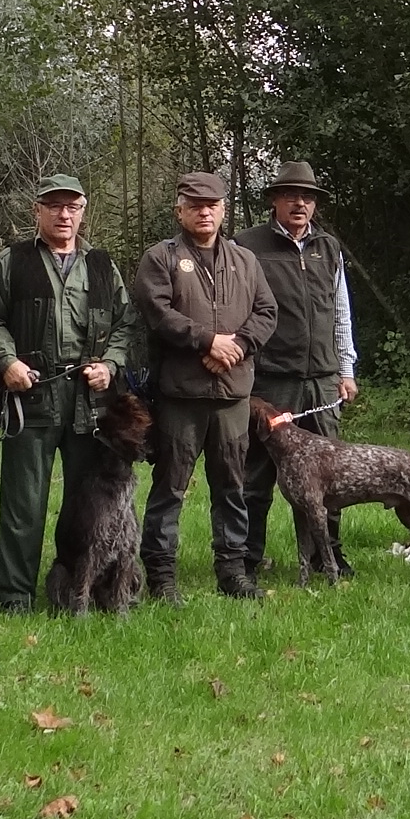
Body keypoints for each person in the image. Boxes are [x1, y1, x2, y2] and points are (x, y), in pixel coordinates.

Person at [0, 174, 133, 613]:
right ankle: (15, 595)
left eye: (72, 207)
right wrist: (7, 362)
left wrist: (111, 364)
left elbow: (125, 324)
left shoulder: (103, 265)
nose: (63, 215)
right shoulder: (14, 260)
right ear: (38, 210)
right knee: (23, 503)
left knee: (90, 506)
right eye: (54, 206)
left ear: (83, 210)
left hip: (90, 404)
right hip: (32, 397)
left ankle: (83, 591)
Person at [135, 172, 279, 601]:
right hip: (181, 395)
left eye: (212, 205)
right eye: (194, 205)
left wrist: (239, 344)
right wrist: (206, 340)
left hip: (233, 396)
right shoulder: (161, 258)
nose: (204, 212)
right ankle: (161, 577)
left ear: (223, 210)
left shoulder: (245, 260)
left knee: (231, 486)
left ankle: (232, 571)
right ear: (179, 210)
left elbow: (267, 311)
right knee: (170, 488)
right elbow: (157, 312)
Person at [233, 160, 358, 581]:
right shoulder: (248, 245)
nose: (299, 203)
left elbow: (341, 312)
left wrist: (346, 368)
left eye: (307, 197)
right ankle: (248, 561)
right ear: (274, 201)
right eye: (290, 195)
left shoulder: (330, 248)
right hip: (271, 379)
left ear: (315, 204)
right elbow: (237, 310)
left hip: (323, 380)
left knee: (331, 478)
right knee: (257, 475)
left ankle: (330, 558)